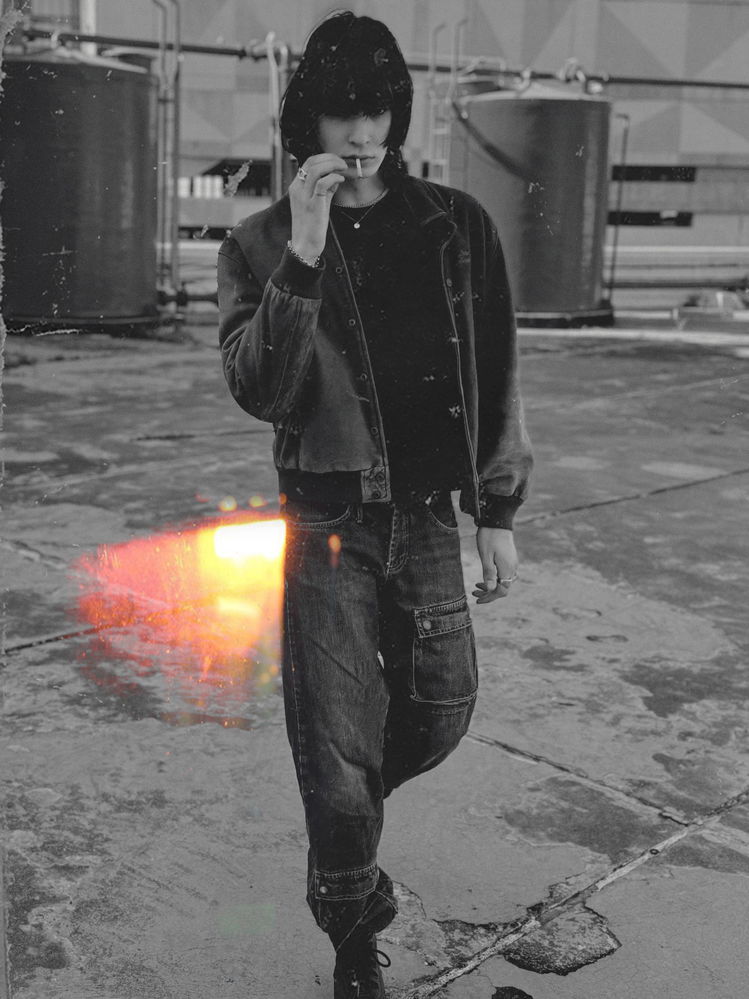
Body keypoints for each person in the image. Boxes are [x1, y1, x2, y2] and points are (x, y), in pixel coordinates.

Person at [217, 12, 532, 998]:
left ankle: (343, 821)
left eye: (378, 112)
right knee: (337, 749)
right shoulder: (259, 242)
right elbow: (260, 389)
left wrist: (496, 510)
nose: (361, 135)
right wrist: (304, 255)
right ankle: (354, 930)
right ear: (305, 121)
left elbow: (494, 370)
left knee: (441, 709)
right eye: (341, 114)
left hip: (427, 516)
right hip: (325, 528)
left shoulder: (454, 224)